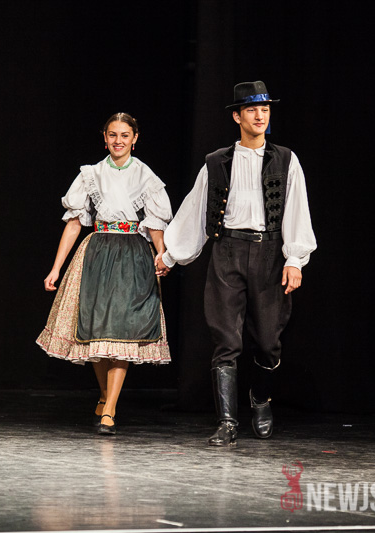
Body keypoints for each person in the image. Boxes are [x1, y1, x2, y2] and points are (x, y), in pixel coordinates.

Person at [156, 81, 316, 446]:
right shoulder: (216, 162)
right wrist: (171, 255)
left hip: (270, 253)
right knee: (226, 340)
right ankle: (227, 422)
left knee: (269, 342)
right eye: (252, 110)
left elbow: (297, 209)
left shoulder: (285, 160)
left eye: (265, 110)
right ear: (237, 116)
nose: (260, 116)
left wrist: (295, 259)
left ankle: (260, 398)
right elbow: (195, 210)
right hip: (227, 251)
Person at [37, 113, 173, 435]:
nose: (118, 141)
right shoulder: (91, 174)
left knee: (122, 329)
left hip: (132, 254)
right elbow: (74, 223)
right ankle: (104, 394)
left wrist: (162, 255)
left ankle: (110, 408)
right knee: (96, 329)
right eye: (113, 135)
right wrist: (56, 267)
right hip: (97, 252)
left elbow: (156, 222)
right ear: (104, 137)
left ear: (135, 138)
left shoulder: (145, 176)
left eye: (125, 135)